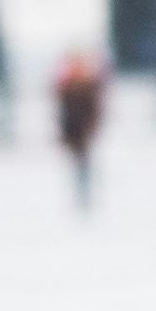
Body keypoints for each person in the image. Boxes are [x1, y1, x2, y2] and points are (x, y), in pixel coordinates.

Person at [53, 48, 107, 206]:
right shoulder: (71, 87)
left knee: (83, 161)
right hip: (75, 130)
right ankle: (83, 194)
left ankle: (85, 194)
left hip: (81, 131)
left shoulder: (84, 86)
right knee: (80, 162)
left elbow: (93, 108)